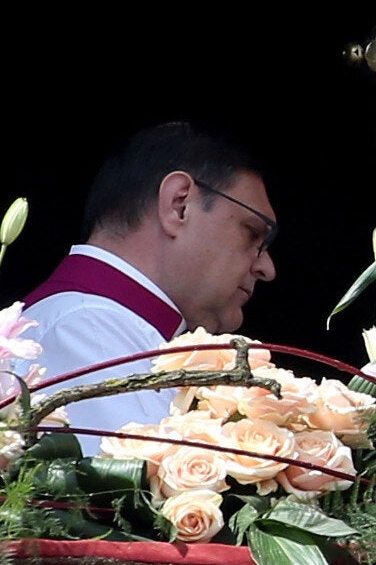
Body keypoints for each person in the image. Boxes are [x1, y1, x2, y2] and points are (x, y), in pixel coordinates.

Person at [16, 121, 278, 455]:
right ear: (179, 204)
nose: (267, 268)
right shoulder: (82, 328)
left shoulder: (101, 326)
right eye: (253, 233)